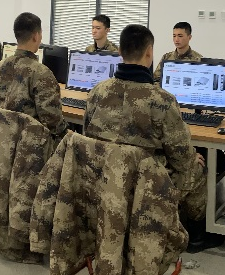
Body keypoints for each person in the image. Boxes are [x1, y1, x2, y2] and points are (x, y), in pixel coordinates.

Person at [84, 24, 213, 246]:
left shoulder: (98, 91)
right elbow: (182, 158)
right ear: (149, 52)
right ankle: (195, 235)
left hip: (105, 177)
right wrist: (193, 157)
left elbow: (87, 135)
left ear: (120, 52)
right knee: (198, 167)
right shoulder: (162, 99)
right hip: (147, 183)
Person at [0, 13, 66, 139]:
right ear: (36, 36)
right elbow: (53, 124)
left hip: (1, 138)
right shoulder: (41, 72)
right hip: (28, 144)